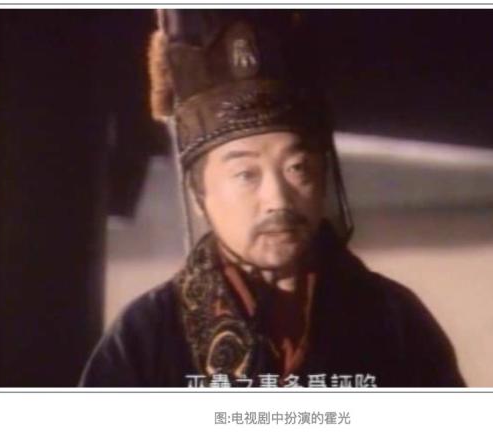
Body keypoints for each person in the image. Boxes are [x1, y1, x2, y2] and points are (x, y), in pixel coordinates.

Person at [79, 10, 465, 388]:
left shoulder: (395, 322)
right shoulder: (146, 338)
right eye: (246, 175)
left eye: (297, 168)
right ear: (200, 195)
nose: (277, 198)